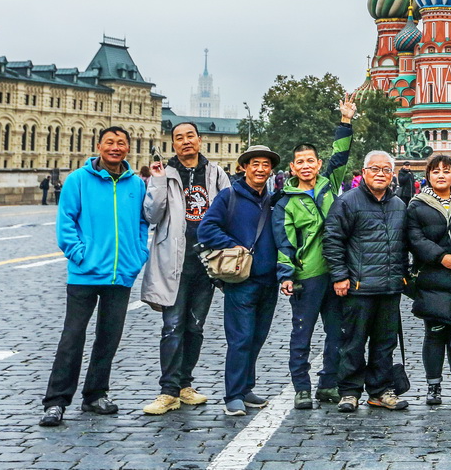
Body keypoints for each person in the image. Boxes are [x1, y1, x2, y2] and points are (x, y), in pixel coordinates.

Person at [39, 127, 149, 427]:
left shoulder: (136, 184)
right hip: (84, 274)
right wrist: (79, 254)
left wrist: (138, 254)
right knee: (72, 337)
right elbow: (66, 222)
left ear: (128, 148)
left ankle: (95, 394)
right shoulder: (78, 180)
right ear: (99, 146)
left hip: (121, 273)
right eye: (110, 142)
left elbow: (142, 222)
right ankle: (56, 401)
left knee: (108, 338)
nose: (115, 147)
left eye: (121, 143)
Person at [140, 121, 232, 415]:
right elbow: (152, 215)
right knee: (172, 327)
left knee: (195, 327)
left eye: (190, 136)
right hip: (174, 264)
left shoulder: (216, 173)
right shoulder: (164, 174)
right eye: (179, 138)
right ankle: (168, 391)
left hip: (206, 264)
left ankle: (184, 385)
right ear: (173, 144)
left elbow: (229, 210)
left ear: (199, 139)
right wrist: (156, 182)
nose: (185, 141)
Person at [197, 144, 282, 416]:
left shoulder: (273, 199)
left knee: (257, 338)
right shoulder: (229, 196)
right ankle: (233, 394)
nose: (260, 169)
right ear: (244, 167)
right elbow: (206, 229)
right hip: (241, 280)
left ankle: (246, 388)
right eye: (255, 164)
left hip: (268, 281)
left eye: (265, 165)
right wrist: (234, 246)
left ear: (271, 170)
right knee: (240, 338)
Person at [324, 150, 410, 412]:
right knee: (353, 343)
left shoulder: (399, 205)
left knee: (385, 343)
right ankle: (349, 391)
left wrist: (404, 277)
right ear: (364, 172)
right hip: (358, 287)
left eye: (386, 169)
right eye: (375, 169)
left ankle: (380, 390)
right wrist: (340, 276)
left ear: (392, 174)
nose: (380, 174)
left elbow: (405, 244)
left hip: (390, 287)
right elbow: (333, 240)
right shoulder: (347, 202)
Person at [275, 143, 345, 411]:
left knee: (337, 333)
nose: (306, 166)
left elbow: (341, 156)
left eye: (310, 161)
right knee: (302, 334)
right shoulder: (286, 202)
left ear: (318, 164)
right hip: (307, 276)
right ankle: (302, 388)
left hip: (336, 273)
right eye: (300, 162)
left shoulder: (330, 186)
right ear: (293, 168)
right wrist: (286, 275)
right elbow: (284, 242)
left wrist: (346, 124)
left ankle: (328, 383)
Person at [404, 154, 451, 406]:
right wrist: (440, 257)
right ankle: (433, 385)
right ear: (428, 176)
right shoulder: (417, 205)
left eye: (446, 171)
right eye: (436, 171)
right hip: (432, 276)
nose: (441, 175)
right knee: (434, 334)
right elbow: (414, 239)